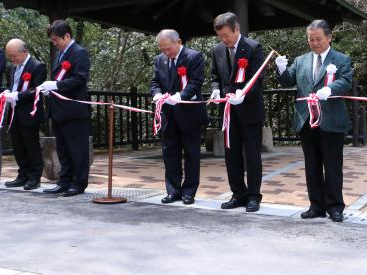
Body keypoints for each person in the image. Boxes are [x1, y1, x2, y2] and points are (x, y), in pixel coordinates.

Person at [276, 19, 353, 222]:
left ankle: (335, 206)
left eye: (318, 39)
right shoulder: (301, 60)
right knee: (312, 165)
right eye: (311, 39)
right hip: (306, 119)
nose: (315, 43)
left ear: (329, 37)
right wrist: (281, 69)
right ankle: (316, 205)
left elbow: (345, 81)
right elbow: (288, 81)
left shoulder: (341, 59)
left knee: (333, 165)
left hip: (331, 119)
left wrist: (331, 89)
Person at [210, 12, 265, 212]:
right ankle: (238, 194)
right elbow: (215, 76)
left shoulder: (253, 47)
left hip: (249, 109)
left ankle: (253, 196)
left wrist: (244, 94)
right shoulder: (217, 50)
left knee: (252, 155)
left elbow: (257, 79)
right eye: (220, 36)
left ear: (237, 29)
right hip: (229, 111)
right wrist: (216, 89)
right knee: (231, 155)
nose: (224, 40)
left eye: (227, 35)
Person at [150, 29, 207, 205]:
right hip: (168, 113)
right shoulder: (159, 60)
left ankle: (189, 191)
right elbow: (155, 81)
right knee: (170, 153)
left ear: (178, 42)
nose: (166, 53)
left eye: (168, 48)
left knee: (191, 153)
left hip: (189, 112)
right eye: (162, 49)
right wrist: (157, 94)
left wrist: (180, 96)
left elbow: (196, 82)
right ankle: (172, 190)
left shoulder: (194, 56)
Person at [40, 20, 92, 197]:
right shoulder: (61, 54)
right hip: (59, 109)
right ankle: (64, 181)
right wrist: (50, 88)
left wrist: (55, 85)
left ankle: (78, 183)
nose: (54, 43)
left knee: (77, 149)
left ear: (67, 36)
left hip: (74, 109)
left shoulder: (79, 53)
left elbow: (79, 79)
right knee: (63, 148)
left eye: (56, 39)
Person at [2, 39, 46, 189]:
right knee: (18, 145)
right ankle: (22, 175)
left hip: (29, 112)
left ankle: (34, 177)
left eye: (14, 56)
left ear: (24, 51)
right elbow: (11, 85)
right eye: (10, 56)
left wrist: (18, 96)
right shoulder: (11, 68)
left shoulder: (37, 66)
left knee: (31, 145)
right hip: (14, 112)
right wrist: (7, 92)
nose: (12, 59)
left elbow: (36, 89)